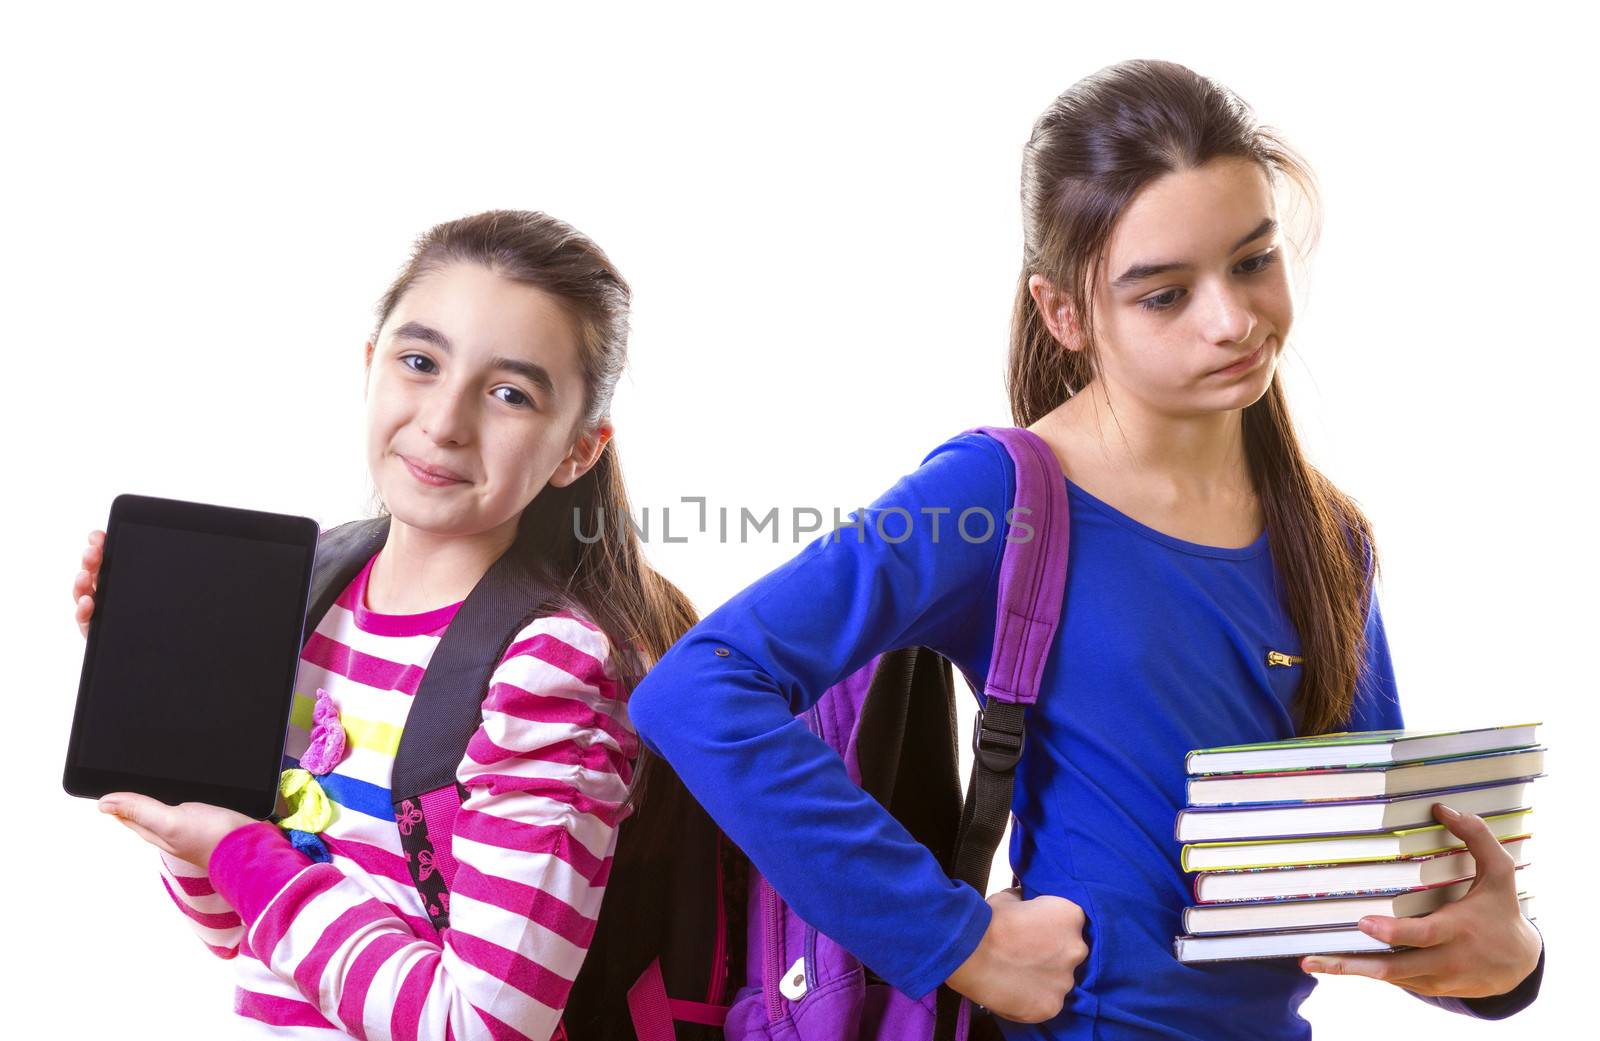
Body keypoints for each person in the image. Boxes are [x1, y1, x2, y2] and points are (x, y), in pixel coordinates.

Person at [625, 61, 1544, 1040]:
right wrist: (957, 941)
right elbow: (699, 691)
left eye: (1251, 261)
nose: (1230, 320)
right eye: (1163, 294)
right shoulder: (998, 497)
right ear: (1065, 314)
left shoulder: (1331, 540)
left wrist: (1503, 966)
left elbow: (1360, 884)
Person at [71, 209, 697, 1040]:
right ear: (371, 365)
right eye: (419, 361)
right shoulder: (314, 594)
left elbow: (483, 1026)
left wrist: (238, 851)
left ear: (579, 449)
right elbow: (235, 929)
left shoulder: (550, 669)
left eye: (510, 393)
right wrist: (182, 756)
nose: (444, 422)